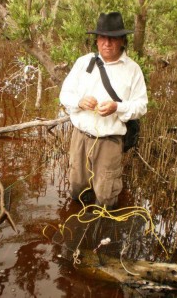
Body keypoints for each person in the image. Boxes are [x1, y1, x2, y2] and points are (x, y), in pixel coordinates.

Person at [59, 12, 148, 209]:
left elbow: (141, 106)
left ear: (123, 40)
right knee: (77, 188)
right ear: (96, 40)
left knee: (107, 196)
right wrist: (79, 101)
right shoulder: (83, 62)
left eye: (113, 38)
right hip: (80, 138)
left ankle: (103, 233)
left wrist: (118, 107)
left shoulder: (133, 69)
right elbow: (65, 95)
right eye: (102, 37)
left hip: (110, 142)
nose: (107, 43)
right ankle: (79, 228)